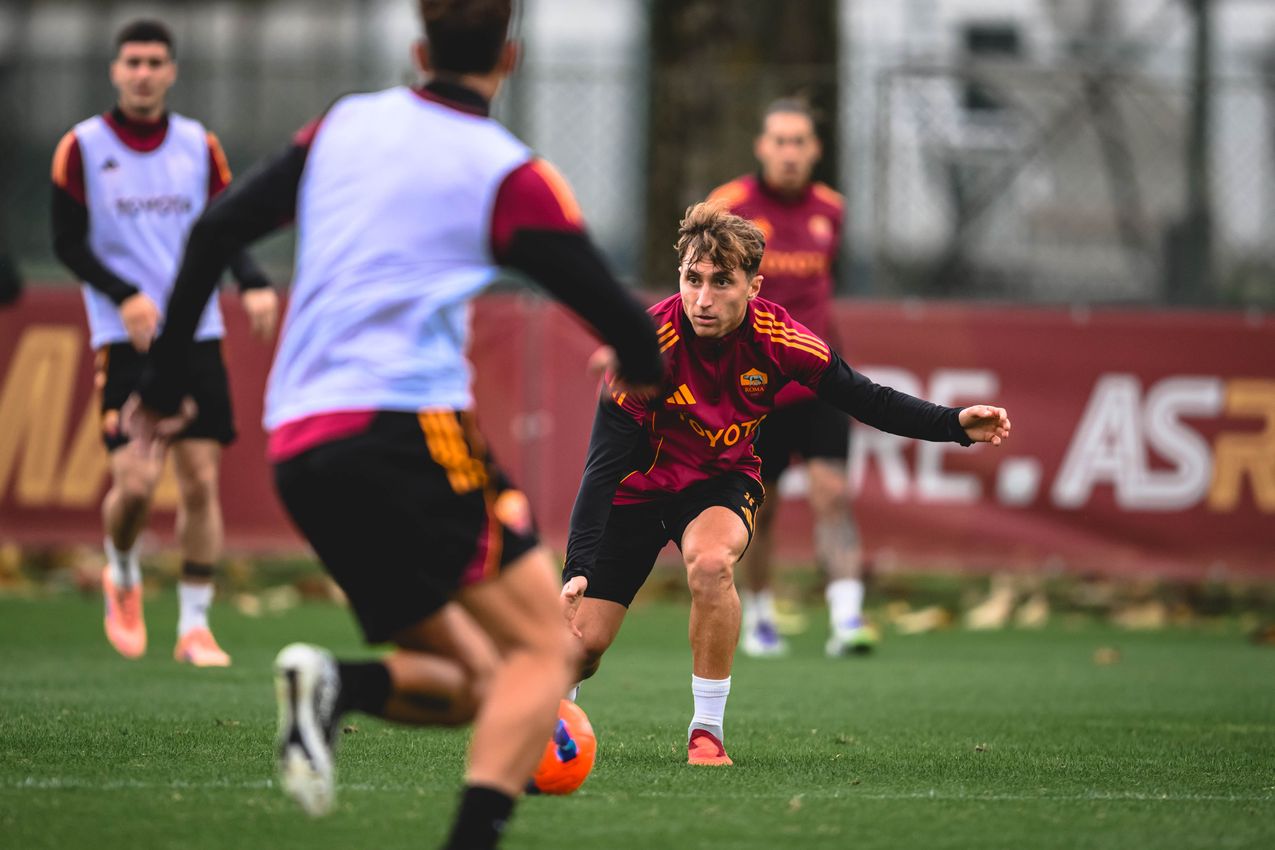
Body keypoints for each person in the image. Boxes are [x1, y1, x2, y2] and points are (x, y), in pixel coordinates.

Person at [124, 2, 663, 847]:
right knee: (545, 655)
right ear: (511, 58)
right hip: (406, 431)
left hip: (301, 446)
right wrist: (642, 364)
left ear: (417, 50)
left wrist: (158, 384)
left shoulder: (343, 125)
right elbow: (623, 324)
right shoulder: (505, 171)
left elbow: (218, 227)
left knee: (475, 680)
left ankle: (334, 687)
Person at [560, 202, 1010, 766]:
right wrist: (576, 568)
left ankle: (707, 730)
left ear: (753, 286)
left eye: (722, 282)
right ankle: (558, 713)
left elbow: (867, 398)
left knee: (711, 563)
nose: (703, 299)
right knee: (580, 648)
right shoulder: (646, 349)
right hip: (637, 490)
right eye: (692, 280)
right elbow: (601, 466)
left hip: (718, 483)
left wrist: (954, 425)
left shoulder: (781, 338)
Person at [50, 19, 278, 666]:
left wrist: (254, 282)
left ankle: (195, 627)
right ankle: (121, 566)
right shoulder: (82, 147)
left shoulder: (197, 145)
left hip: (197, 331)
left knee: (201, 481)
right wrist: (123, 293)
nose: (143, 73)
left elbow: (225, 227)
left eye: (155, 62)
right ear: (116, 71)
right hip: (122, 338)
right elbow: (67, 241)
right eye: (133, 62)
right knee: (138, 482)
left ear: (172, 71)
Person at [707, 97, 868, 658]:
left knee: (833, 493)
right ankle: (761, 617)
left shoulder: (832, 209)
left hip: (820, 374)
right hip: (757, 384)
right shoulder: (729, 208)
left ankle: (848, 619)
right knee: (762, 507)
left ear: (816, 149)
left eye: (800, 141)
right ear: (761, 146)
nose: (790, 153)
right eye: (780, 141)